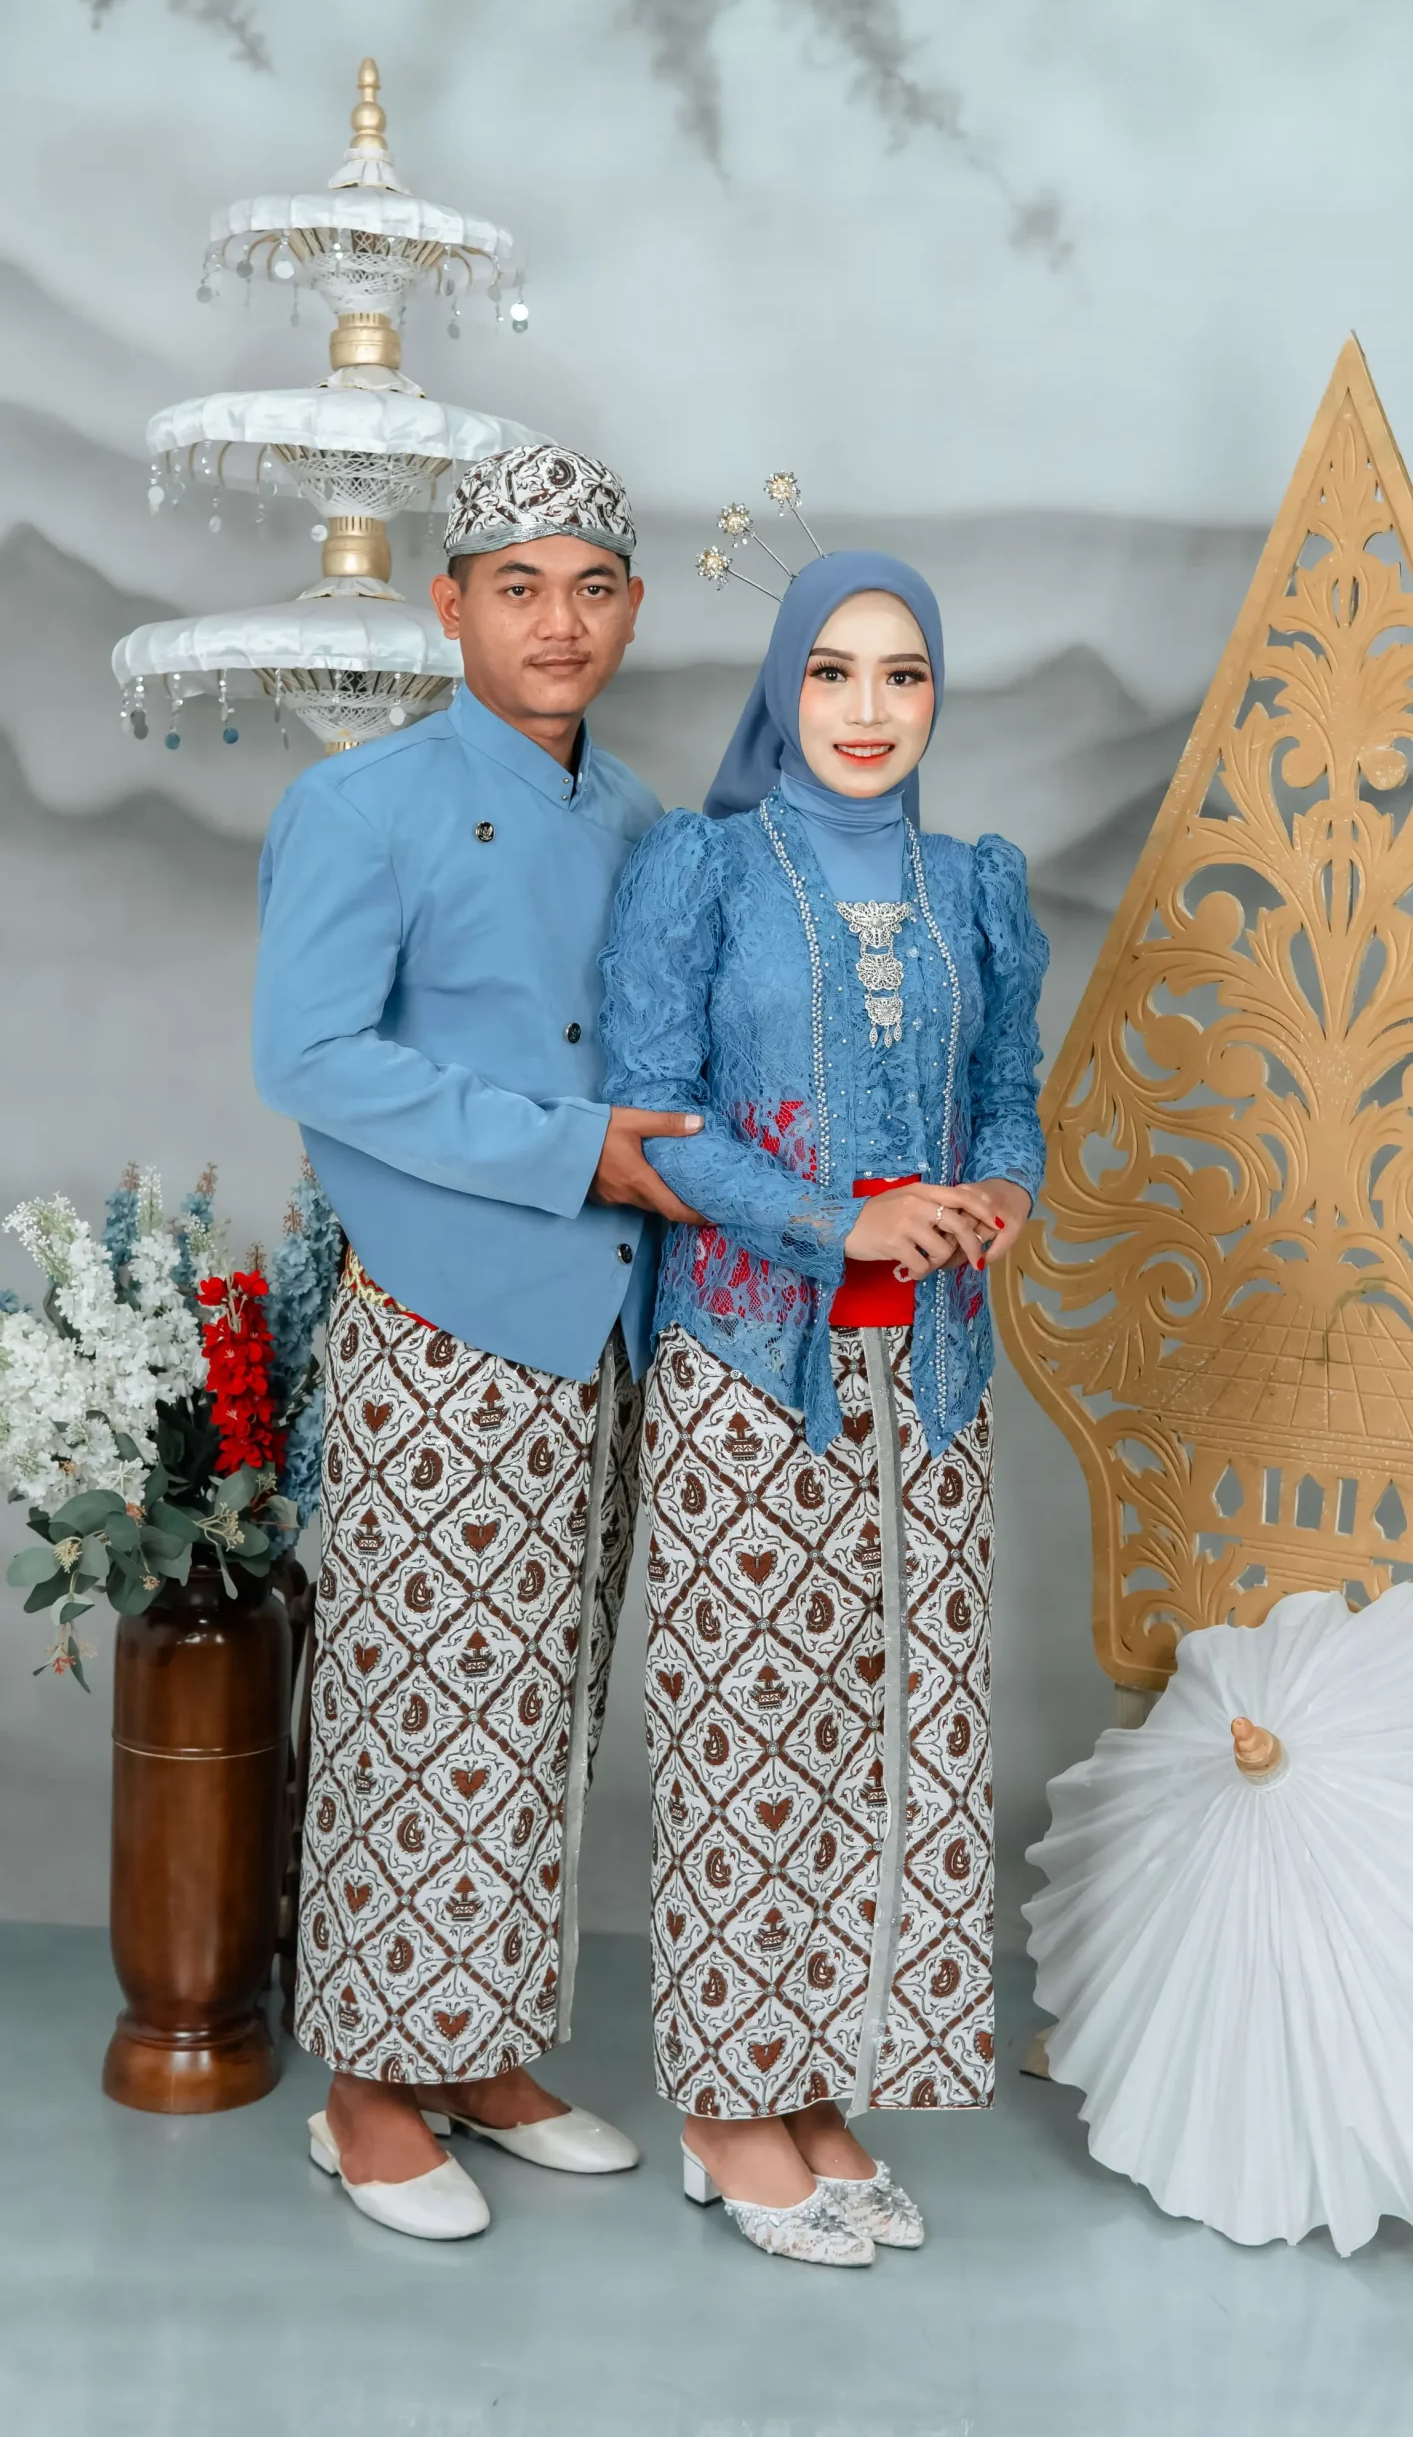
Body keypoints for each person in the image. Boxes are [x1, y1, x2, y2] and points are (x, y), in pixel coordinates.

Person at [253, 443, 702, 2241]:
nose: (556, 622)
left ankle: (481, 2048)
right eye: (518, 588)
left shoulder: (644, 821)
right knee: (417, 1703)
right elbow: (310, 1055)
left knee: (544, 1702)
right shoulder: (361, 804)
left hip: (608, 1318)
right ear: (450, 608)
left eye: (589, 589)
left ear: (630, 612)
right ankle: (368, 2090)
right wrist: (569, 1150)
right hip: (446, 1314)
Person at [598, 549, 1048, 2266]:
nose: (868, 710)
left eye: (902, 675)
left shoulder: (972, 885)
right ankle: (726, 2105)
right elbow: (658, 1122)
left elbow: (1005, 1097)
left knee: (892, 1734)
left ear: (935, 697)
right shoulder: (700, 871)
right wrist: (829, 1220)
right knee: (748, 1733)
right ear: (783, 689)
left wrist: (994, 1194)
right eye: (833, 673)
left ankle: (814, 2080)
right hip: (744, 1368)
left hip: (928, 1383)